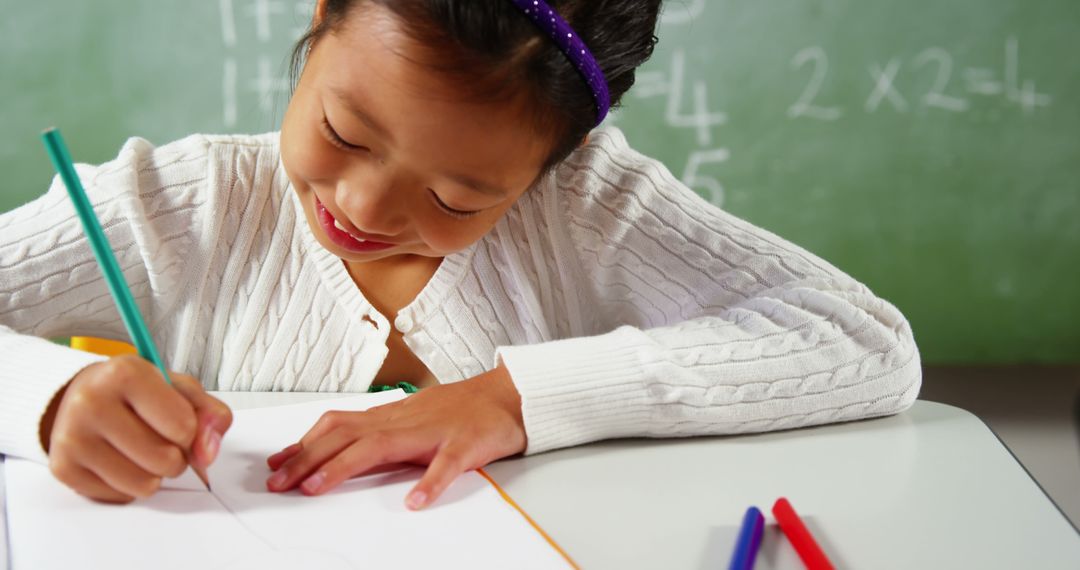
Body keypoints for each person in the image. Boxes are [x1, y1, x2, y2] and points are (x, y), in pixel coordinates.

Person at [0, 0, 921, 509]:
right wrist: (48, 403)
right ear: (322, 17)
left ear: (553, 166)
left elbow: (863, 342)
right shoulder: (179, 206)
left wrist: (514, 399)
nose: (361, 205)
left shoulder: (587, 209)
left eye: (458, 198)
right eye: (344, 132)